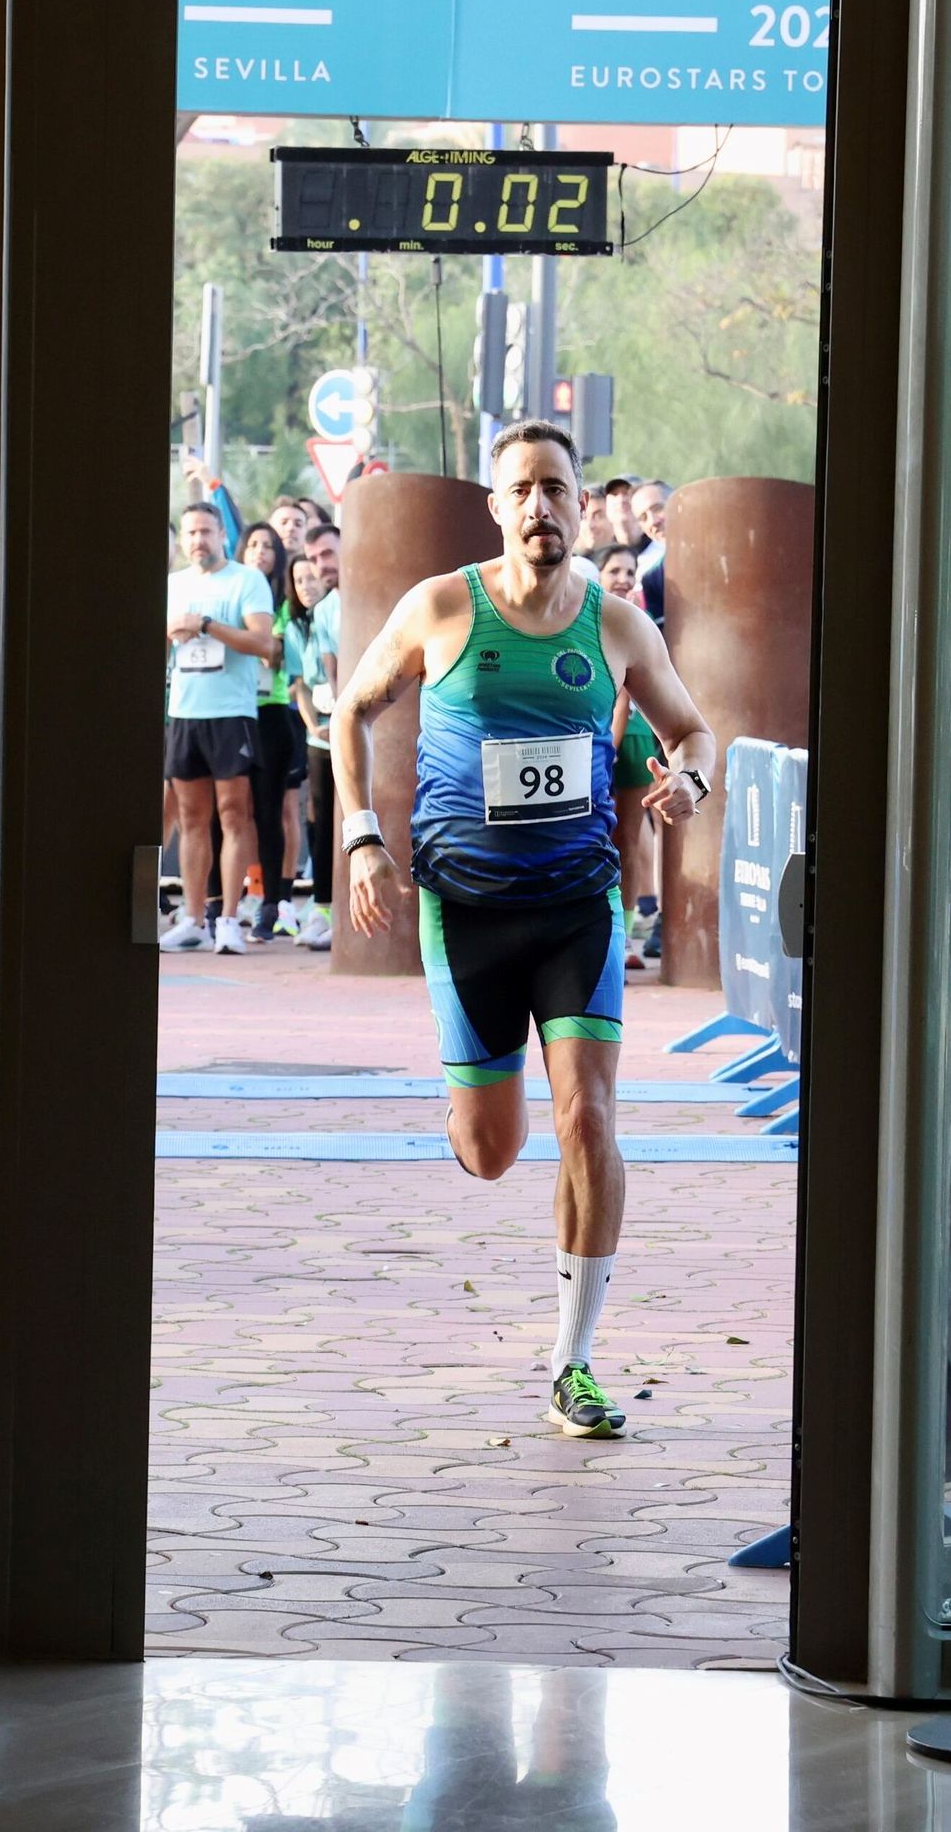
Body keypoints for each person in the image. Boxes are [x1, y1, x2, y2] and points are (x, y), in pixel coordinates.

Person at [332, 419, 715, 1440]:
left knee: (588, 1116)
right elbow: (350, 711)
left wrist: (690, 774)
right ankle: (470, 1103)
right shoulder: (439, 607)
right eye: (522, 491)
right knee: (493, 1151)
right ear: (496, 509)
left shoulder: (619, 623)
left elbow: (691, 728)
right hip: (465, 915)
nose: (541, 506)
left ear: (583, 504)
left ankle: (572, 1361)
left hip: (575, 910)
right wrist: (364, 836)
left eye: (558, 488)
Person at [160, 503, 275, 953]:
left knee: (233, 813)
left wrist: (205, 624)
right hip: (185, 712)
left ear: (222, 533)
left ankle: (228, 917)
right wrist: (173, 630)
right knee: (190, 817)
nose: (197, 541)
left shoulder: (246, 580)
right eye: (190, 533)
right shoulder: (173, 585)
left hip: (231, 712)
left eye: (205, 531)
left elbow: (264, 643)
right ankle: (193, 918)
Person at [238, 521, 303, 941]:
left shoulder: (283, 600)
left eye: (269, 546)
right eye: (254, 544)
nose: (261, 552)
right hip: (233, 712)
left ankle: (274, 903)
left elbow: (278, 654)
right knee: (232, 812)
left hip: (275, 713)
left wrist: (269, 645)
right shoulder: (231, 594)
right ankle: (238, 895)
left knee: (272, 811)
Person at [598, 545, 659, 974]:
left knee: (629, 843)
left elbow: (624, 700)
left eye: (629, 570)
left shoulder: (636, 623)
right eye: (614, 569)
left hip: (628, 743)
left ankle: (623, 938)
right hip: (589, 743)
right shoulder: (580, 617)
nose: (622, 577)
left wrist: (608, 752)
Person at [295, 524, 344, 949]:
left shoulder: (378, 597)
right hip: (329, 733)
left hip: (377, 733)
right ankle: (325, 908)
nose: (321, 565)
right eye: (314, 558)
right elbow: (325, 672)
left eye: (328, 554)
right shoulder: (325, 610)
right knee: (322, 819)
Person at [629, 478, 670, 578]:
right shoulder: (647, 572)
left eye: (657, 509)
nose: (653, 522)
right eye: (643, 518)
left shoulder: (709, 541)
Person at [602, 474, 646, 554]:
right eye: (614, 494)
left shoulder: (661, 548)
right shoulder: (599, 556)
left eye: (627, 493)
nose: (621, 500)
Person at [579, 483, 615, 560]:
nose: (590, 525)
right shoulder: (571, 566)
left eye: (598, 516)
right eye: (584, 517)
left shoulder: (632, 563)